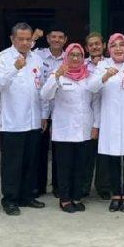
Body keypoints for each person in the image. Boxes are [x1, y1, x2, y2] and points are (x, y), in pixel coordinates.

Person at [0, 23, 48, 216]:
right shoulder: (2, 58)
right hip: (13, 121)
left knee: (31, 161)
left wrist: (44, 114)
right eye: (21, 39)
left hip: (33, 120)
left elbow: (41, 88)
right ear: (12, 39)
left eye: (28, 39)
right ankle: (10, 199)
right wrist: (14, 68)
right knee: (12, 164)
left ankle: (27, 196)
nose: (25, 43)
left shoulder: (37, 59)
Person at [89, 33, 124, 213]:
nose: (118, 48)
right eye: (114, 45)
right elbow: (91, 87)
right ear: (109, 49)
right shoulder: (103, 65)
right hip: (110, 120)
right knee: (112, 158)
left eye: (122, 44)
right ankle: (116, 194)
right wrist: (105, 76)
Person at [41, 43, 97, 213]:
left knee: (81, 165)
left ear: (83, 58)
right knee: (65, 166)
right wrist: (57, 76)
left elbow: (95, 103)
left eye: (79, 55)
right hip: (64, 130)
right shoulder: (58, 74)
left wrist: (96, 125)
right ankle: (65, 199)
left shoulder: (89, 76)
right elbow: (45, 95)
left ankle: (77, 197)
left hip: (84, 129)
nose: (75, 58)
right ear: (66, 57)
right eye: (72, 55)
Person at [34, 23, 67, 197]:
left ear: (65, 40)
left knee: (59, 150)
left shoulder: (70, 57)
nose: (56, 40)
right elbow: (22, 51)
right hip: (41, 110)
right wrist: (33, 38)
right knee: (40, 149)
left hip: (62, 110)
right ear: (47, 39)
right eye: (53, 37)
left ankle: (58, 186)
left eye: (60, 37)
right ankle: (38, 186)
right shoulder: (38, 55)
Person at [81, 32, 109, 199]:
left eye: (97, 44)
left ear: (104, 45)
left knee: (104, 154)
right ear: (86, 48)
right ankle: (84, 187)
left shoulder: (110, 63)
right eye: (91, 45)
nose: (95, 47)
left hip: (108, 113)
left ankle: (103, 188)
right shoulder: (82, 65)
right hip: (88, 114)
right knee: (87, 153)